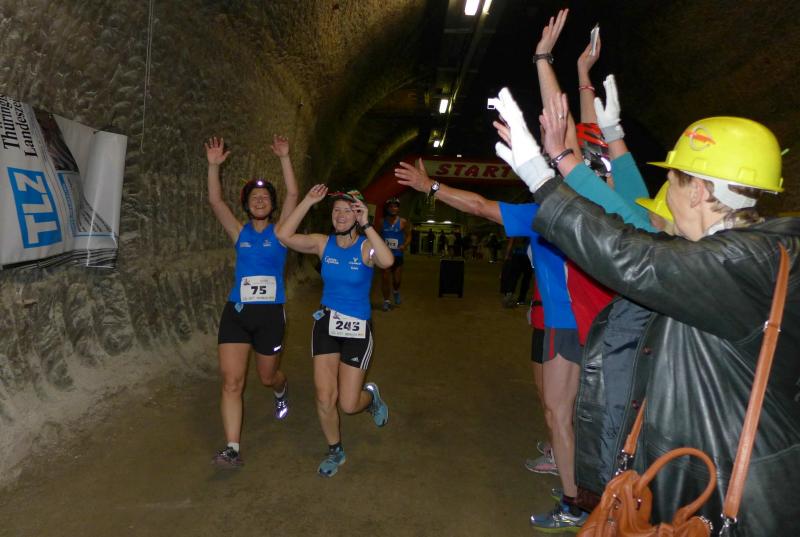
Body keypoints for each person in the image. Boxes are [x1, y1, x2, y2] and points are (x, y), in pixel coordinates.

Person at [493, 83, 799, 535]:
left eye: (672, 179)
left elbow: (629, 255)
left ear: (697, 191)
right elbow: (633, 233)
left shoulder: (732, 264)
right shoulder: (761, 256)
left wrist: (540, 176)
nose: (665, 191)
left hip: (722, 487)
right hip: (725, 464)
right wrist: (576, 155)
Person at [395, 157, 612, 532]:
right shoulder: (603, 214)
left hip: (566, 325)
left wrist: (431, 187)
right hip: (593, 326)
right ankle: (583, 484)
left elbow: (479, 206)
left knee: (558, 413)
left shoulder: (547, 214)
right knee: (577, 413)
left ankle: (575, 504)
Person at [275, 186, 394, 477]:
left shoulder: (366, 247)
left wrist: (367, 225)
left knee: (349, 404)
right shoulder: (322, 243)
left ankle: (371, 398)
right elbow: (284, 235)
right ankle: (335, 450)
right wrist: (307, 201)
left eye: (348, 210)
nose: (340, 215)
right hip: (326, 324)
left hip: (358, 329)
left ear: (358, 214)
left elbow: (387, 261)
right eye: (336, 210)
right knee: (324, 396)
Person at [205, 135, 299, 468]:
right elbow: (216, 201)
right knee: (232, 382)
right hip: (237, 313)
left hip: (270, 317)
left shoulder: (282, 232)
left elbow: (293, 195)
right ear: (247, 204)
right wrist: (213, 166)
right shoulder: (239, 232)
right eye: (254, 197)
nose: (260, 200)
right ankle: (232, 448)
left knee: (267, 377)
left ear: (272, 205)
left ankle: (281, 389)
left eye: (265, 197)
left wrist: (284, 158)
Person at [380, 197, 411, 311]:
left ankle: (396, 291)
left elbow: (409, 235)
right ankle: (386, 301)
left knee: (397, 280)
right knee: (385, 278)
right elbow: (376, 236)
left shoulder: (403, 222)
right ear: (387, 208)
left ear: (398, 209)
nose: (393, 209)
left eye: (395, 207)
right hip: (385, 255)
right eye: (391, 207)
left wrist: (404, 245)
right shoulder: (381, 222)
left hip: (398, 254)